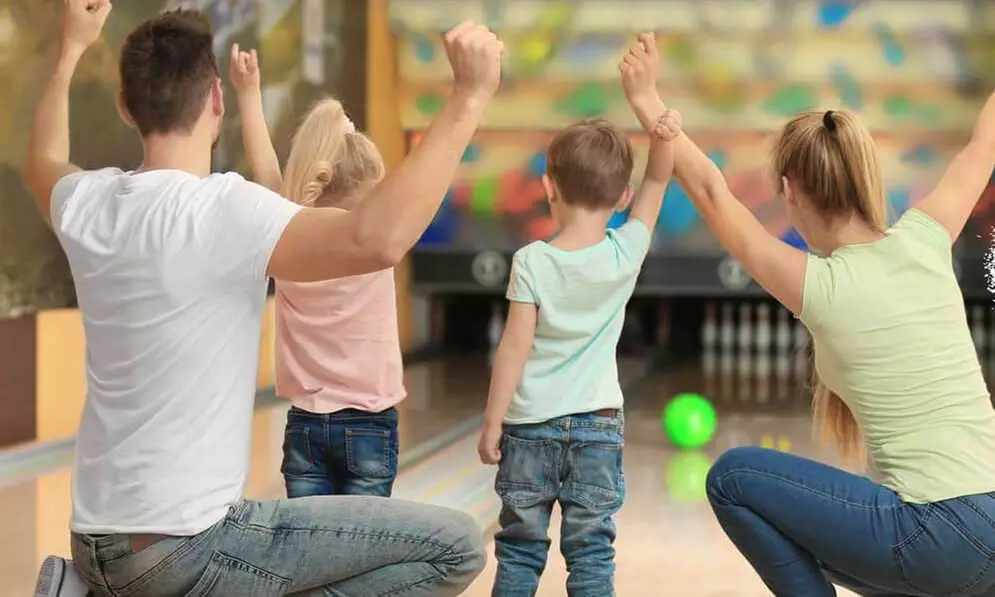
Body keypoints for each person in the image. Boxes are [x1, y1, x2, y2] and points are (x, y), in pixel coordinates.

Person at [26, 1, 502, 595]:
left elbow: (40, 159)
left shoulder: (88, 202)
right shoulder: (227, 210)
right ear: (217, 102)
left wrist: (70, 49)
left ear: (126, 107)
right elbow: (374, 238)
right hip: (191, 546)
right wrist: (469, 97)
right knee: (453, 547)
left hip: (94, 544)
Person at [623, 31, 995, 597]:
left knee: (734, 478)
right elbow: (984, 145)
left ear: (789, 191)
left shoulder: (819, 285)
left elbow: (711, 192)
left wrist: (648, 100)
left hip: (937, 536)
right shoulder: (926, 236)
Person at [476, 34, 682, 597]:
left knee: (519, 554)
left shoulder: (531, 261)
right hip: (597, 429)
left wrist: (493, 421)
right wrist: (662, 133)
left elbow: (513, 348)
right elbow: (660, 179)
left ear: (548, 188)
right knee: (592, 555)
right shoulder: (624, 253)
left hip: (529, 429)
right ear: (621, 197)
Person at [230, 46, 404, 499]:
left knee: (310, 555)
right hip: (368, 422)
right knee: (361, 553)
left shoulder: (288, 234)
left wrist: (248, 94)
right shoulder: (375, 244)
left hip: (305, 423)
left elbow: (265, 168)